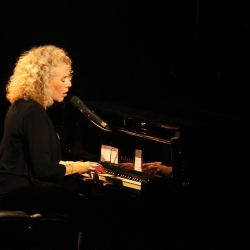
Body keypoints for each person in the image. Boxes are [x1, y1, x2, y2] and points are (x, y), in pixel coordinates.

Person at [0, 45, 105, 249]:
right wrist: (77, 168)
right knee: (95, 209)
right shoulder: (33, 112)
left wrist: (73, 164)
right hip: (19, 193)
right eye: (63, 79)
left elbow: (36, 161)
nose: (69, 84)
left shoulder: (22, 106)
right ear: (43, 81)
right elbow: (43, 169)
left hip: (12, 189)